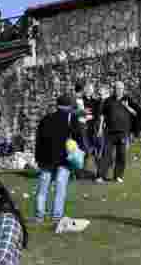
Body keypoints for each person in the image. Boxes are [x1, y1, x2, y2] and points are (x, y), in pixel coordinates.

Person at [34, 95, 83, 225]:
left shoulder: (46, 118)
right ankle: (56, 216)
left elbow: (39, 140)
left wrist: (37, 158)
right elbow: (79, 138)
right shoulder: (71, 118)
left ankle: (39, 216)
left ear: (57, 105)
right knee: (60, 189)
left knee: (42, 189)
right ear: (69, 106)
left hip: (46, 159)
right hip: (63, 159)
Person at [97, 81, 141, 183]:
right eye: (116, 88)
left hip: (123, 132)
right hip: (109, 132)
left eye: (120, 88)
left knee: (121, 154)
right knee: (106, 154)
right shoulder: (108, 101)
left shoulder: (128, 100)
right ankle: (101, 175)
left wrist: (127, 107)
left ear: (123, 89)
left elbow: (138, 113)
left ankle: (118, 176)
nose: (118, 90)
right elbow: (102, 115)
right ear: (113, 89)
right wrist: (100, 128)